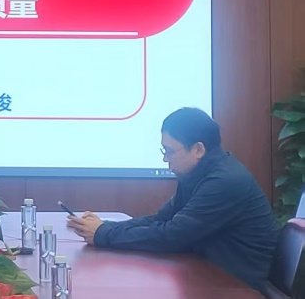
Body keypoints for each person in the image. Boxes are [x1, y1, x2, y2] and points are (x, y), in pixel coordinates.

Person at [67, 107, 279, 291]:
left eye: (169, 151)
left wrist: (103, 234)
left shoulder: (224, 182)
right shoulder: (198, 173)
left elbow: (172, 236)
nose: (165, 158)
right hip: (209, 275)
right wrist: (105, 227)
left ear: (198, 149)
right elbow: (161, 219)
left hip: (238, 287)